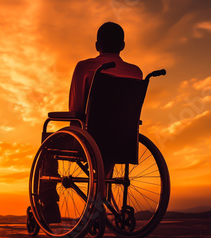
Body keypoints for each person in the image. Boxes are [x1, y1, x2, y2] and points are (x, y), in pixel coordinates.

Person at [40, 22, 142, 224]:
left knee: (47, 144)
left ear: (97, 45)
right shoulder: (136, 73)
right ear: (122, 45)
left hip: (89, 141)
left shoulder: (86, 68)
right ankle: (99, 199)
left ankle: (49, 205)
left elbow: (76, 111)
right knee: (107, 141)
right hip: (123, 142)